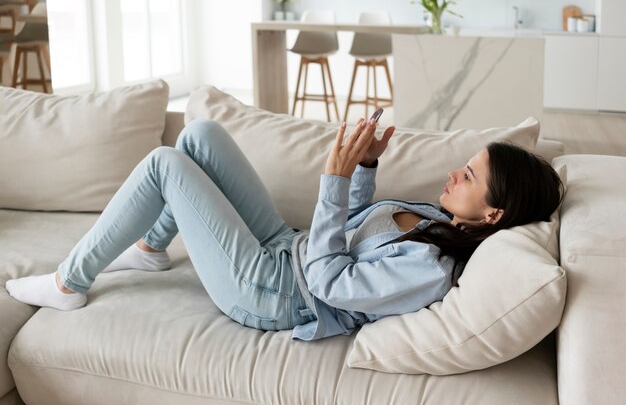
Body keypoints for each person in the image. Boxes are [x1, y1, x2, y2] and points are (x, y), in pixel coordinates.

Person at [5, 118, 563, 341]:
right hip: (283, 249)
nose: (453, 173)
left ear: (493, 214)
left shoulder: (431, 268)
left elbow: (329, 283)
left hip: (273, 292)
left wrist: (334, 179)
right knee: (198, 136)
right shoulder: (442, 219)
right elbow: (349, 231)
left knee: (163, 164)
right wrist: (365, 170)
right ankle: (152, 248)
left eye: (467, 175)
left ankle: (67, 283)